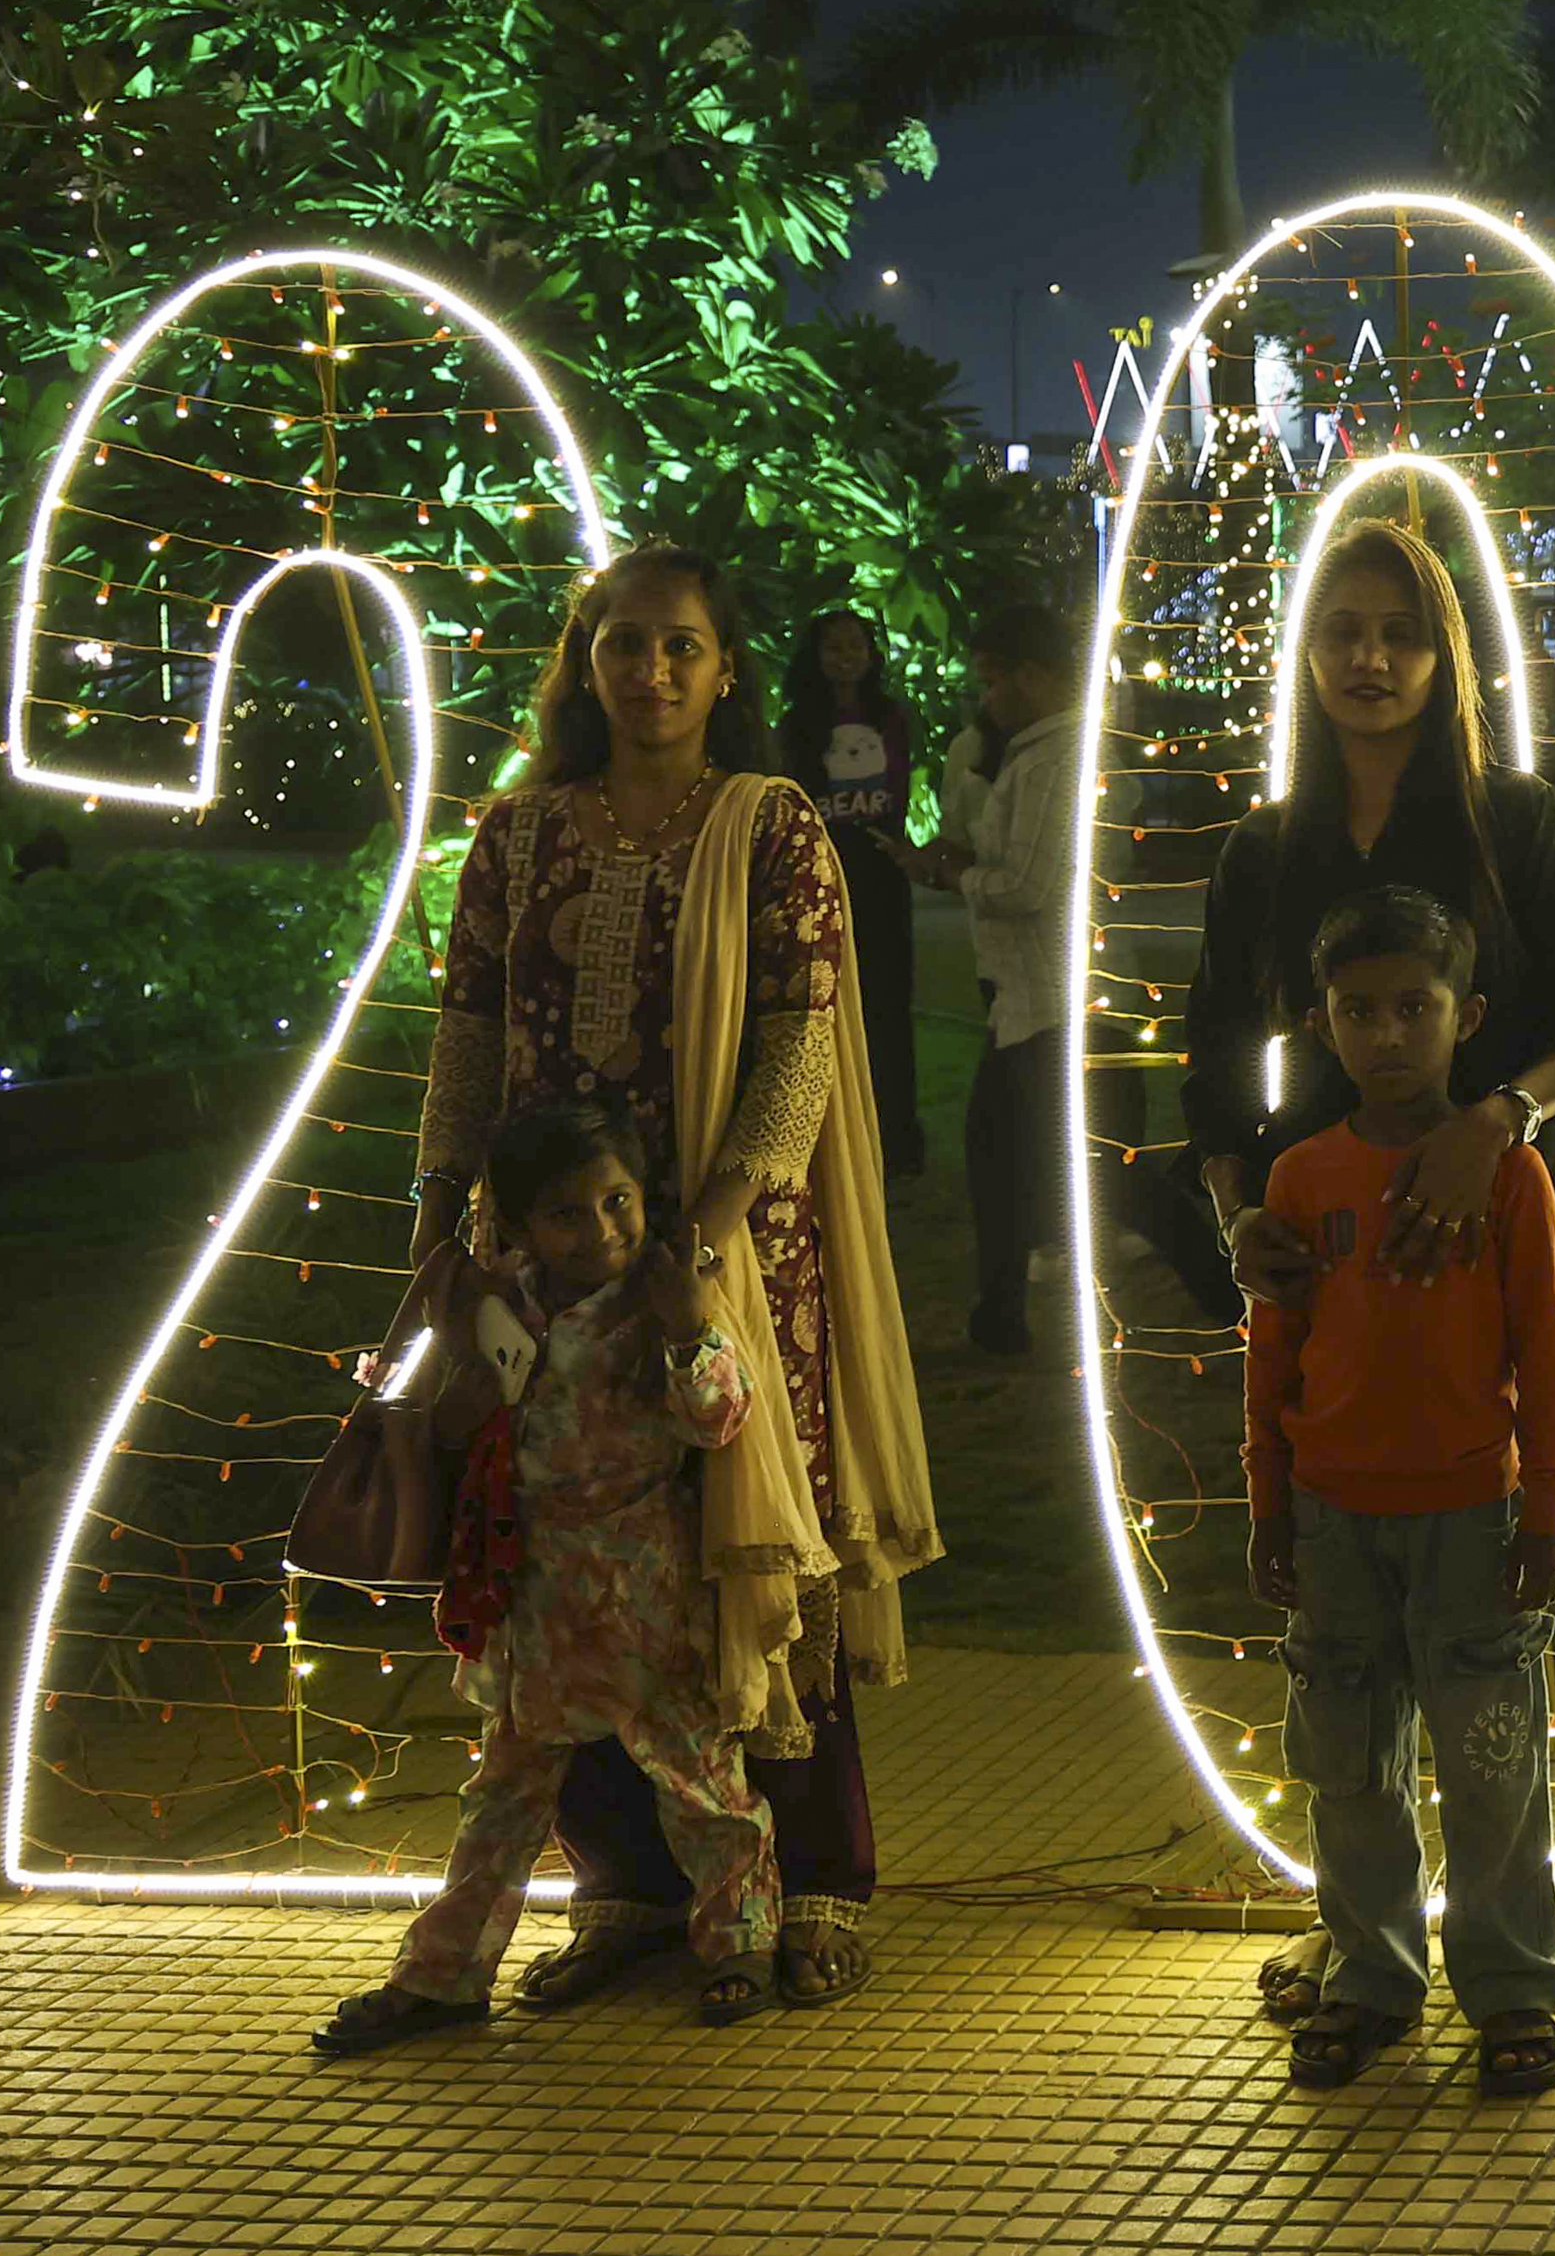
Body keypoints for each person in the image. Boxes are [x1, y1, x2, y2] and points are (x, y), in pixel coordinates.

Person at [413, 543, 943, 2016]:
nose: (650, 673)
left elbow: (801, 1034)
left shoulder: (772, 827)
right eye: (624, 644)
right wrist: (438, 1220)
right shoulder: (518, 836)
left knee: (746, 1544)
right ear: (585, 661)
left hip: (731, 1248)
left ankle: (817, 1881)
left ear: (725, 672)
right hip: (544, 1260)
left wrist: (705, 1229)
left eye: (682, 649)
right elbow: (464, 1032)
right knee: (567, 1559)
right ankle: (634, 1887)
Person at [1196, 515, 1555, 2028]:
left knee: (1487, 1703)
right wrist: (1241, 1207)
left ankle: (1510, 1975)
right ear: (1305, 654)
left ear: (1446, 654)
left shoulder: (1513, 822)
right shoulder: (1266, 846)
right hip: (1328, 1276)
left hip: (1480, 1264)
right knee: (1345, 1704)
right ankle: (1367, 1956)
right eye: (1342, 630)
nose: (1369, 658)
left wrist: (1492, 1119)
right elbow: (1209, 1074)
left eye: (1400, 630)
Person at [314, 1103, 777, 2053]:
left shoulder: (663, 1300)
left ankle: (740, 1944)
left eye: (618, 1202)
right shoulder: (495, 1304)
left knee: (698, 1778)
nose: (602, 1230)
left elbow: (720, 1421)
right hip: (530, 1590)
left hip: (646, 1583)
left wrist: (690, 1328)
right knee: (504, 1793)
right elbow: (441, 1430)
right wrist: (474, 1390)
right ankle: (444, 1974)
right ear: (522, 1226)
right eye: (569, 1215)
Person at [1240, 885, 1555, 2095]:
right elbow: (1271, 1353)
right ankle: (1372, 1972)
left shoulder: (1506, 1180)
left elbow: (1547, 1348)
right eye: (1360, 1011)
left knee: (1492, 1761)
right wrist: (1268, 1500)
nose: (1388, 1033)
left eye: (1415, 1006)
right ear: (1322, 1025)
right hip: (1334, 1516)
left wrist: (1545, 1505)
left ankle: (1510, 1988)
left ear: (1465, 1014)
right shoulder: (1299, 1179)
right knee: (1347, 1759)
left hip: (1467, 1516)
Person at [898, 603, 1083, 1357]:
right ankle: (1000, 1312)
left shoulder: (1050, 759)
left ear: (1031, 677)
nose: (986, 698)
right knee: (1018, 1155)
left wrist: (957, 873)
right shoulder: (1024, 752)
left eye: (992, 680)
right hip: (1026, 995)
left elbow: (1028, 890)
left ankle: (1216, 1267)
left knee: (1036, 1159)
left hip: (1048, 997)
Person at [782, 612, 932, 1179]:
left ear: (871, 653)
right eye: (833, 646)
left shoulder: (890, 718)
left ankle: (897, 1137)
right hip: (820, 877)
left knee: (889, 1006)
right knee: (820, 1006)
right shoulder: (799, 726)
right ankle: (827, 1136)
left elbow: (895, 791)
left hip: (881, 874)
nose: (844, 655)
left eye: (855, 645)